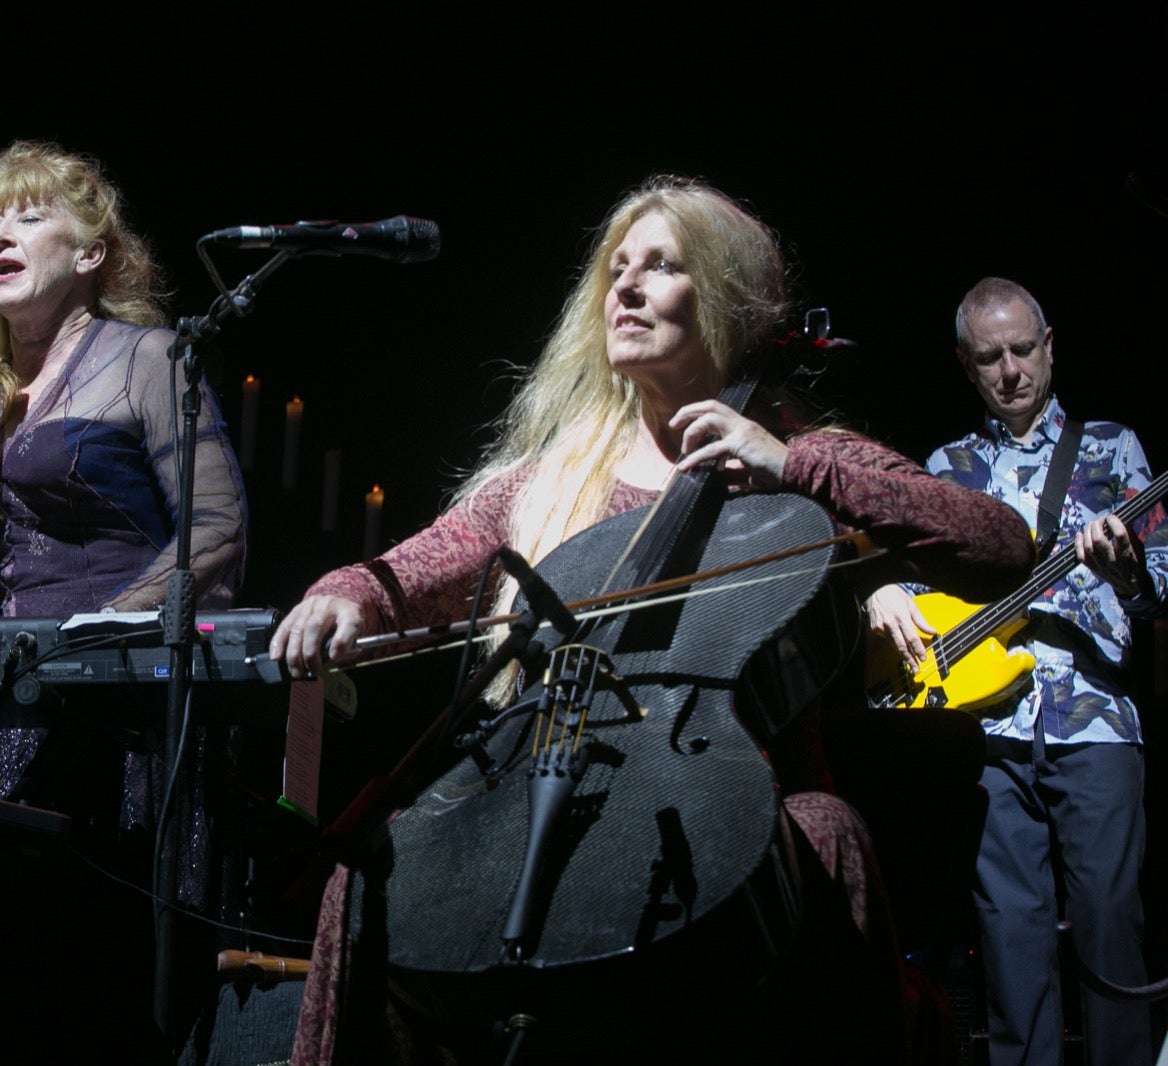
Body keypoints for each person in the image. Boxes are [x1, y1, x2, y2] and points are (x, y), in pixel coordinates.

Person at [269, 176, 1035, 1065]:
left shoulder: (797, 455)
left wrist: (795, 466)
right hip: (547, 783)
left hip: (733, 818)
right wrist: (346, 591)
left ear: (720, 301)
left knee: (830, 830)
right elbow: (429, 559)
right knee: (367, 882)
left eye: (661, 267)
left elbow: (999, 543)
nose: (624, 288)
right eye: (617, 269)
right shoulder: (559, 475)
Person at [0, 139, 248, 1062]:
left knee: (89, 973)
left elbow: (214, 531)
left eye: (27, 214)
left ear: (91, 254)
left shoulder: (148, 359)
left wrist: (87, 637)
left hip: (111, 702)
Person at [866, 277, 1164, 1066]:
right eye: (990, 357)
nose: (1011, 371)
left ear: (1050, 344)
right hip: (986, 728)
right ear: (967, 367)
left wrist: (1125, 570)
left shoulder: (1114, 448)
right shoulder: (947, 467)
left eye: (1024, 350)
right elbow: (916, 588)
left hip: (1095, 718)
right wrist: (885, 589)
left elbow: (1157, 590)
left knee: (1109, 918)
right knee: (1008, 929)